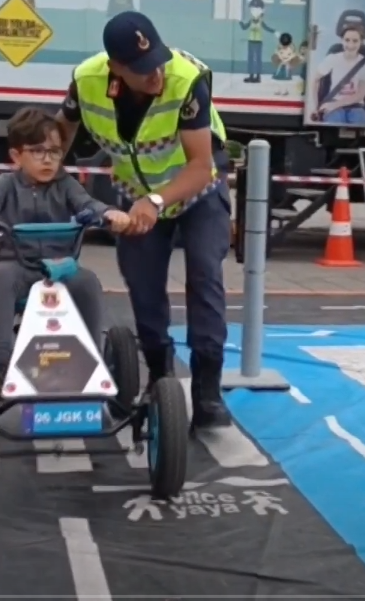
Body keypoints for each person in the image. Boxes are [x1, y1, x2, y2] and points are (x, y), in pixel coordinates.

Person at [54, 11, 234, 429]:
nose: (154, 73)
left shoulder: (186, 79)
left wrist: (155, 201)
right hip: (135, 196)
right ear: (115, 66)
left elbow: (200, 164)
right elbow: (57, 138)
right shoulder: (86, 81)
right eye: (140, 68)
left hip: (197, 192)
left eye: (156, 59)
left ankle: (208, 392)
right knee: (144, 286)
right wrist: (37, 185)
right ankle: (160, 378)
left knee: (205, 277)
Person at [0, 106, 130, 396]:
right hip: (17, 264)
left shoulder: (65, 185)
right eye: (38, 151)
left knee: (87, 281)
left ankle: (93, 359)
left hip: (61, 267)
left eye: (55, 152)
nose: (48, 159)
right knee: (1, 279)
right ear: (17, 156)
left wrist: (109, 214)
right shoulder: (4, 184)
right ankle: (2, 364)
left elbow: (89, 205)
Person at [312, 25, 365, 125]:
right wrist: (314, 106)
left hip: (356, 105)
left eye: (355, 41)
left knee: (359, 124)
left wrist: (335, 105)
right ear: (342, 41)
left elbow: (361, 95)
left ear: (361, 42)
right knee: (334, 125)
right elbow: (315, 79)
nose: (350, 44)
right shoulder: (332, 58)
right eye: (347, 40)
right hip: (334, 103)